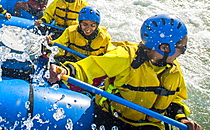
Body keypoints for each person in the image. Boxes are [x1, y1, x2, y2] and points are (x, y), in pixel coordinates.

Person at [48, 14, 202, 130]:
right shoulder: (126, 56)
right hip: (113, 116)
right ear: (165, 47)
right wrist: (65, 70)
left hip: (150, 125)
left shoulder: (174, 70)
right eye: (182, 48)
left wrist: (182, 119)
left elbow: (174, 100)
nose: (183, 52)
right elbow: (91, 66)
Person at [46, 6, 114, 63]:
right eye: (85, 24)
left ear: (97, 25)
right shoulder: (71, 31)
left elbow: (111, 53)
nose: (88, 29)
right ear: (80, 23)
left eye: (92, 25)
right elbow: (59, 44)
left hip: (93, 65)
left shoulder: (104, 37)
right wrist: (50, 45)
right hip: (74, 62)